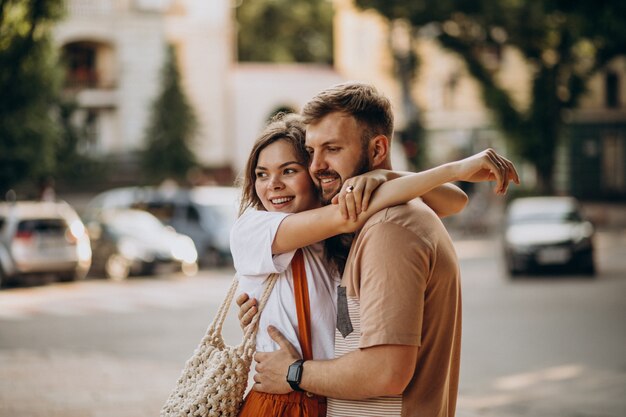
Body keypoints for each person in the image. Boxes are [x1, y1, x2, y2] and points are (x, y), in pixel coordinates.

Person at [239, 82, 519, 417]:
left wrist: (384, 174)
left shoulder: (363, 231)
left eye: (290, 169)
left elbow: (455, 201)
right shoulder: (255, 227)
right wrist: (454, 169)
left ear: (377, 149)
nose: (274, 184)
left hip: (311, 393)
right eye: (261, 174)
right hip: (285, 400)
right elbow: (345, 215)